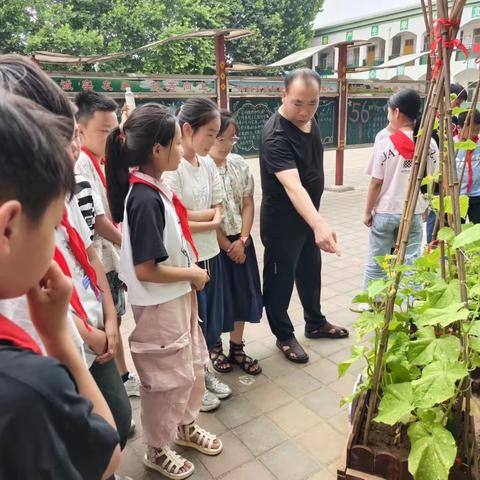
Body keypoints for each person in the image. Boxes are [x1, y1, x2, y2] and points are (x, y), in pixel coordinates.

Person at [0, 54, 133, 467]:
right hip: (67, 349)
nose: (74, 145)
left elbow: (87, 248)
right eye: (63, 135)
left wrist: (108, 321)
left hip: (88, 328)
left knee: (121, 413)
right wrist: (64, 334)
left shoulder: (56, 188)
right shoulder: (27, 386)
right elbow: (103, 452)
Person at [106, 103, 223, 479]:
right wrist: (191, 273)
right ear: (156, 150)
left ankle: (185, 427)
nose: (180, 147)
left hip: (174, 298)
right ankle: (156, 448)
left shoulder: (155, 189)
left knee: (189, 366)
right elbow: (146, 269)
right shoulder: (143, 198)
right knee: (164, 379)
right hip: (160, 304)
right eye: (175, 142)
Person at [260, 68, 348, 364]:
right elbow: (293, 186)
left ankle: (315, 322)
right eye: (298, 103)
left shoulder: (310, 123)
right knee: (280, 281)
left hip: (308, 221)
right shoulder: (276, 135)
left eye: (313, 103)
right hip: (282, 226)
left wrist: (315, 223)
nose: (305, 110)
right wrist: (319, 224)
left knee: (311, 273)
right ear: (283, 94)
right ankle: (284, 335)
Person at [164, 98, 232, 411]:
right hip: (188, 258)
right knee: (193, 325)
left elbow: (219, 208)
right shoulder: (172, 167)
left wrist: (201, 217)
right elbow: (177, 218)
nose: (214, 141)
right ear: (188, 129)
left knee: (212, 322)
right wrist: (207, 218)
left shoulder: (206, 164)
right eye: (210, 133)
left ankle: (205, 373)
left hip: (211, 253)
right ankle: (195, 383)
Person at [75, 91, 140, 397]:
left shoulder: (100, 161)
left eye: (115, 131)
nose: (111, 138)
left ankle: (124, 376)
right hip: (101, 259)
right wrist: (130, 244)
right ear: (80, 129)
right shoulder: (81, 166)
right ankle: (117, 383)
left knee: (117, 319)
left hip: (109, 258)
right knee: (107, 323)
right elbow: (99, 222)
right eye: (104, 131)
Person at [363, 89, 438, 287]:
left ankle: (371, 303)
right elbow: (432, 179)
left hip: (386, 211)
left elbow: (376, 182)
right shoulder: (429, 144)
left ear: (396, 112)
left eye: (388, 111)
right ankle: (408, 304)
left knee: (376, 262)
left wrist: (367, 211)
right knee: (411, 262)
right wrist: (426, 206)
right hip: (414, 211)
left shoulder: (385, 143)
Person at [207, 111, 263, 375]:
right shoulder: (201, 168)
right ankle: (215, 348)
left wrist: (243, 238)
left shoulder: (239, 163)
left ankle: (237, 347)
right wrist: (227, 246)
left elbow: (248, 202)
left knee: (243, 294)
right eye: (225, 139)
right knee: (219, 298)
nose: (230, 144)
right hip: (215, 245)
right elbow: (207, 213)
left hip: (241, 240)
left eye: (233, 139)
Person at [455, 110, 480, 223]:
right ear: (460, 128)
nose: (474, 133)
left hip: (477, 194)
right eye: (471, 130)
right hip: (458, 194)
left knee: (476, 229)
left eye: (477, 129)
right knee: (457, 227)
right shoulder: (452, 144)